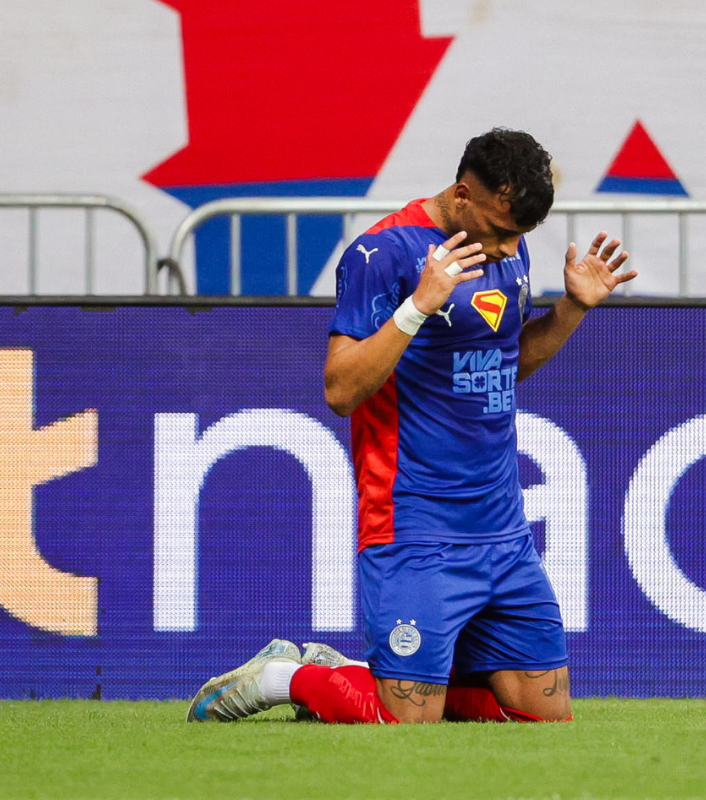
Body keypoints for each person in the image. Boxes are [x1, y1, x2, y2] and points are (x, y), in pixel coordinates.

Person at [187, 127, 635, 724]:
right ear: (463, 195)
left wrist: (571, 310)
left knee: (542, 718)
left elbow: (501, 364)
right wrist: (419, 305)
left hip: (502, 527)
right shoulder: (382, 254)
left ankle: (351, 674)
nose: (509, 248)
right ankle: (282, 677)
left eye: (521, 236)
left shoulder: (508, 248)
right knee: (404, 721)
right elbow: (341, 390)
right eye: (502, 231)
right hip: (415, 522)